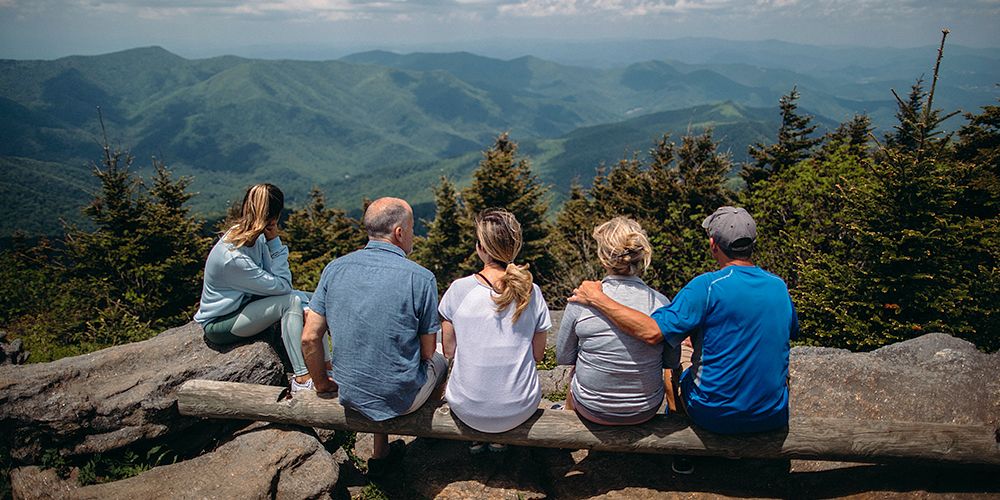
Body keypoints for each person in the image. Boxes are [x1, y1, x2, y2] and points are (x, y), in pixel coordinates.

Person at [568, 207, 798, 472]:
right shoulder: (778, 285)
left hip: (714, 414)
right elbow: (786, 332)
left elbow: (653, 332)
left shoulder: (707, 286)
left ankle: (682, 450)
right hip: (771, 415)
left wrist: (598, 298)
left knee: (673, 364)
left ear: (714, 245)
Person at [300, 197, 447, 475]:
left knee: (376, 351)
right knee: (441, 361)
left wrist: (321, 383)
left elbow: (309, 337)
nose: (414, 234)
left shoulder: (335, 268)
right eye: (413, 227)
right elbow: (428, 354)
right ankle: (431, 437)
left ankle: (381, 452)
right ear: (399, 232)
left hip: (349, 391)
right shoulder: (421, 278)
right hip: (402, 399)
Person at [194, 183, 324, 393]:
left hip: (245, 306)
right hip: (220, 323)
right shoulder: (234, 258)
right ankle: (302, 379)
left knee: (318, 300)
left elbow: (275, 282)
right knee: (291, 303)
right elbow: (283, 286)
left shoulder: (251, 237)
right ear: (275, 216)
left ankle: (326, 367)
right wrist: (276, 244)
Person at [439, 208, 551, 454]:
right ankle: (501, 439)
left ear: (481, 248)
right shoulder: (532, 291)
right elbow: (538, 354)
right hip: (519, 408)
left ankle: (478, 438)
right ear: (514, 247)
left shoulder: (459, 290)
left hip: (468, 408)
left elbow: (449, 351)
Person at [555, 217, 673, 426]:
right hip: (645, 409)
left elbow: (564, 356)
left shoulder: (582, 300)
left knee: (576, 369)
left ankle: (566, 420)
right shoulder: (661, 302)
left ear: (603, 259)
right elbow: (671, 361)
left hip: (592, 409)